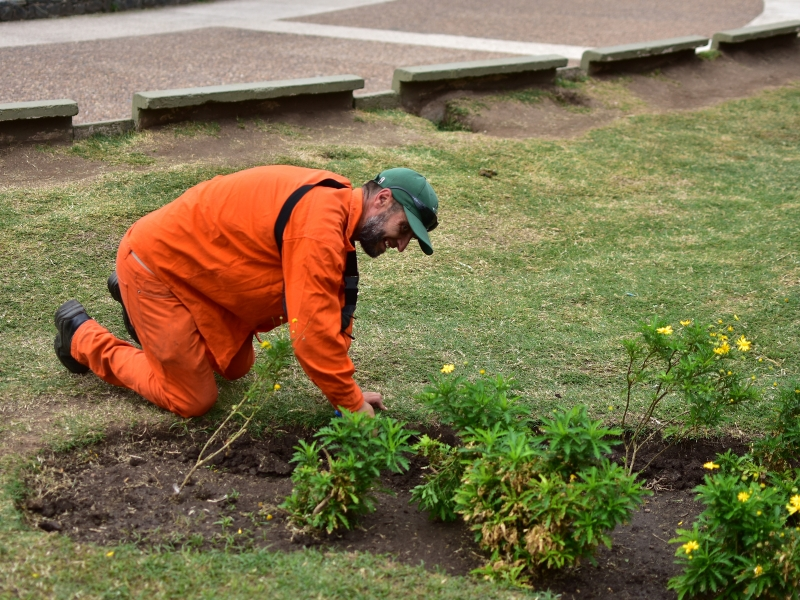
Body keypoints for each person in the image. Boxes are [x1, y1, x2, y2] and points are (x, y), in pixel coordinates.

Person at [53, 165, 439, 418]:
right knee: (192, 399)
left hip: (194, 278)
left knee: (235, 367)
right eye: (404, 229)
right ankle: (82, 337)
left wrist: (347, 392)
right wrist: (351, 405)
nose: (402, 245)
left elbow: (333, 311)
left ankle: (139, 308)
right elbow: (312, 337)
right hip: (156, 268)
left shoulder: (334, 210)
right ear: (383, 200)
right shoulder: (319, 228)